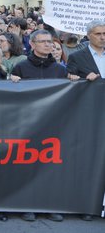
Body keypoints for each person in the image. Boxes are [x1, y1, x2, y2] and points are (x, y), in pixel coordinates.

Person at [11, 29, 79, 223]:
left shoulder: (60, 70)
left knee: (51, 168)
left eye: (50, 42)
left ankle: (50, 205)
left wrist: (74, 81)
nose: (48, 45)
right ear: (32, 44)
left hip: (54, 125)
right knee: (27, 167)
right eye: (43, 42)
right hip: (27, 125)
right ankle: (27, 205)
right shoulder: (21, 68)